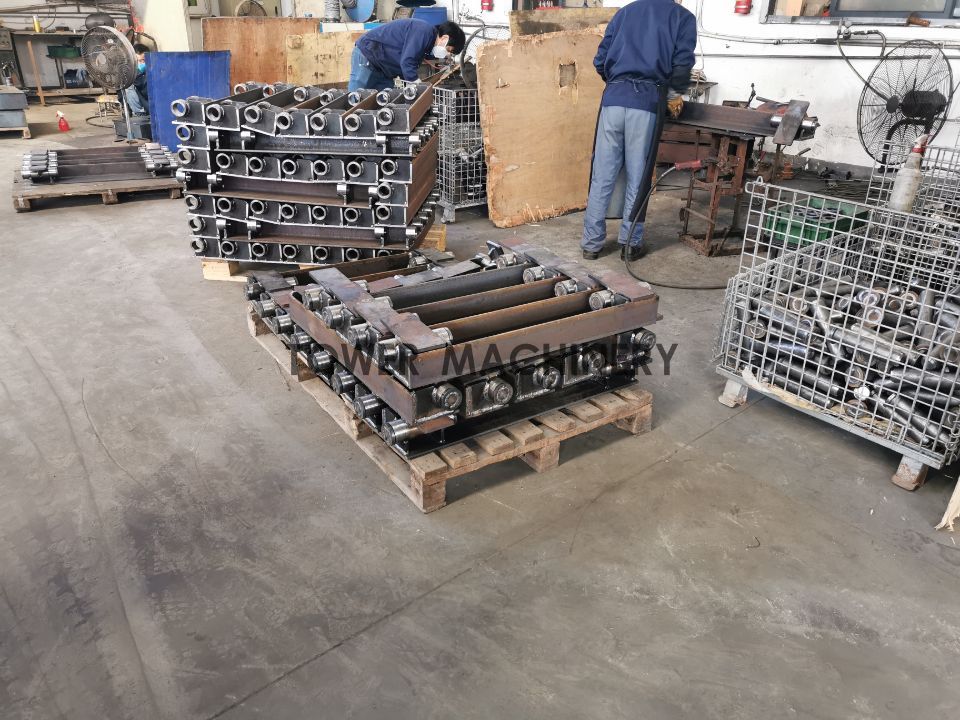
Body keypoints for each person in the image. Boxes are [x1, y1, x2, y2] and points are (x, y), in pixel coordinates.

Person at [581, 0, 696, 261]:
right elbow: (682, 65)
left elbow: (600, 60)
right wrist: (673, 95)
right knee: (638, 177)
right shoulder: (682, 17)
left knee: (602, 175)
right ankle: (630, 244)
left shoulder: (624, 13)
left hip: (613, 100)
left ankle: (591, 245)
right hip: (646, 102)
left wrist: (619, 82)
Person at [349, 19, 465, 91]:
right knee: (355, 101)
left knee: (384, 103)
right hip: (368, 55)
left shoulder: (427, 44)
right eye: (449, 50)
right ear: (444, 39)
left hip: (383, 69)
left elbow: (408, 65)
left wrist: (411, 87)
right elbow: (407, 62)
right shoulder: (424, 32)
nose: (447, 54)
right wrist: (417, 85)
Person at [121, 43, 149, 116]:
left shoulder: (153, 72)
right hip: (140, 110)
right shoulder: (129, 75)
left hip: (152, 106)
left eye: (143, 60)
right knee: (128, 85)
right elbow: (121, 96)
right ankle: (139, 113)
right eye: (137, 61)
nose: (141, 63)